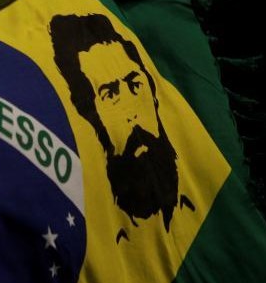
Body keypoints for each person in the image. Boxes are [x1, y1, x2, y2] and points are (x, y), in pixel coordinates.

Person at [49, 13, 195, 244]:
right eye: (110, 95)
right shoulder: (99, 236)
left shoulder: (198, 185)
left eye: (135, 85)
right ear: (90, 115)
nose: (132, 113)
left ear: (153, 93)